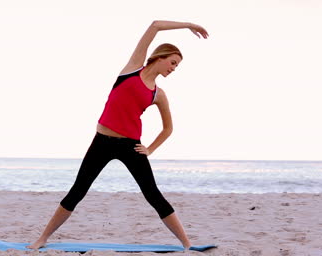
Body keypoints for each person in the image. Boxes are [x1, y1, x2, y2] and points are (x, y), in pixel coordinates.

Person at [27, 20, 209, 250]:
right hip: (101, 142)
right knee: (78, 190)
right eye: (172, 62)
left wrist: (150, 149)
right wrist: (187, 25)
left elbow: (168, 128)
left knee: (152, 194)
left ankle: (186, 243)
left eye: (177, 66)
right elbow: (154, 26)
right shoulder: (133, 68)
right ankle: (42, 239)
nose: (173, 68)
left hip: (131, 146)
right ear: (160, 57)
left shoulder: (158, 94)